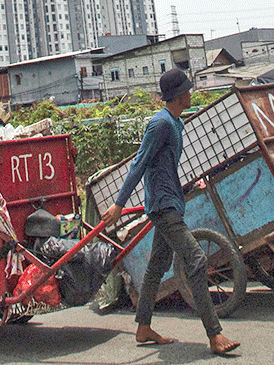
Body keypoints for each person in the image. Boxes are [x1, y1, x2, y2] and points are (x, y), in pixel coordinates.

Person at [101, 68, 240, 356]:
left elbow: (166, 166)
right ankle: (214, 335)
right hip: (163, 206)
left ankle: (143, 326)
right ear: (177, 96)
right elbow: (139, 164)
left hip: (170, 201)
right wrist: (119, 203)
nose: (192, 93)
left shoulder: (176, 123)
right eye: (188, 90)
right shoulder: (160, 124)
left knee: (157, 266)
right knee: (197, 260)